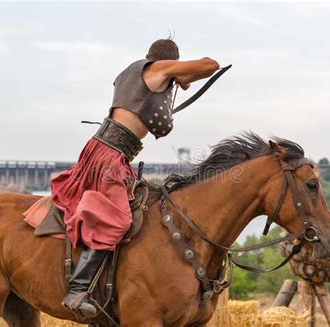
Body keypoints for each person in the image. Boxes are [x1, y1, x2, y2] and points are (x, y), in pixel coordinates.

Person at [51, 38, 220, 318]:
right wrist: (180, 73)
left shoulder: (140, 75)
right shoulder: (154, 70)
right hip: (109, 155)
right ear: (166, 62)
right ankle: (77, 289)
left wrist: (180, 79)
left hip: (114, 154)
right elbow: (209, 65)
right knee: (117, 219)